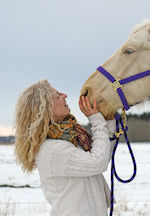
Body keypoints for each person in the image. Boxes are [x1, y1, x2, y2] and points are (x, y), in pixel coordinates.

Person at [14, 79, 116, 216]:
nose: (65, 95)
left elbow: (101, 156)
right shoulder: (52, 150)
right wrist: (96, 120)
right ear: (46, 107)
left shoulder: (70, 137)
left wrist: (108, 123)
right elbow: (98, 162)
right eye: (57, 96)